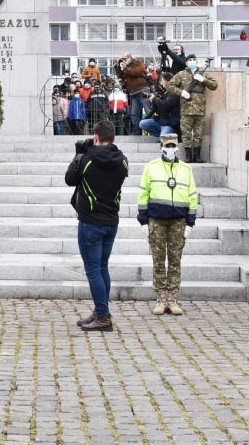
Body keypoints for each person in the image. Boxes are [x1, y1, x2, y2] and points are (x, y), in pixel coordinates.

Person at [66, 121, 129, 332]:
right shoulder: (123, 161)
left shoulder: (86, 160)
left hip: (91, 222)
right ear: (113, 138)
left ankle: (103, 316)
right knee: (102, 267)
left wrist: (78, 155)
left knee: (93, 270)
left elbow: (69, 180)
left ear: (95, 137)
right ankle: (100, 310)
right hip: (111, 221)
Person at [137, 132, 197, 315]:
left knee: (175, 260)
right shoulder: (151, 167)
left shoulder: (186, 169)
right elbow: (143, 194)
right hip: (156, 220)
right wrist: (143, 220)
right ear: (161, 147)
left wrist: (190, 223)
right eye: (167, 146)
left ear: (177, 147)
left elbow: (192, 196)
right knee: (158, 260)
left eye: (173, 146)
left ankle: (173, 299)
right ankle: (160, 299)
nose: (170, 149)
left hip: (178, 220)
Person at [164, 56, 218, 163]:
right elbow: (169, 86)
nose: (192, 62)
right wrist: (182, 92)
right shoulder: (181, 74)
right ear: (186, 62)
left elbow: (214, 85)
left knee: (199, 134)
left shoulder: (203, 74)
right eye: (190, 60)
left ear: (197, 62)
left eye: (194, 60)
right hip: (186, 109)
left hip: (199, 109)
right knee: (186, 134)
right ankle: (188, 156)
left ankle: (197, 156)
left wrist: (203, 80)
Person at [115, 54, 152, 135]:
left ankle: (152, 131)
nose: (124, 60)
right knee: (134, 114)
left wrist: (125, 67)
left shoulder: (137, 62)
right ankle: (136, 132)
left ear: (129, 57)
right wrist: (118, 66)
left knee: (148, 111)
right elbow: (121, 76)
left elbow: (135, 72)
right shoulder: (126, 67)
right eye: (122, 58)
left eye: (125, 58)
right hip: (133, 93)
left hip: (143, 90)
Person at [140, 75, 180, 139]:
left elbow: (165, 105)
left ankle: (171, 135)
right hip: (161, 121)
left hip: (169, 123)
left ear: (167, 81)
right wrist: (154, 100)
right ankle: (162, 135)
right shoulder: (165, 92)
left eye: (162, 80)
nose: (161, 82)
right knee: (143, 123)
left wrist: (154, 99)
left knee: (163, 139)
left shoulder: (174, 93)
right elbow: (158, 107)